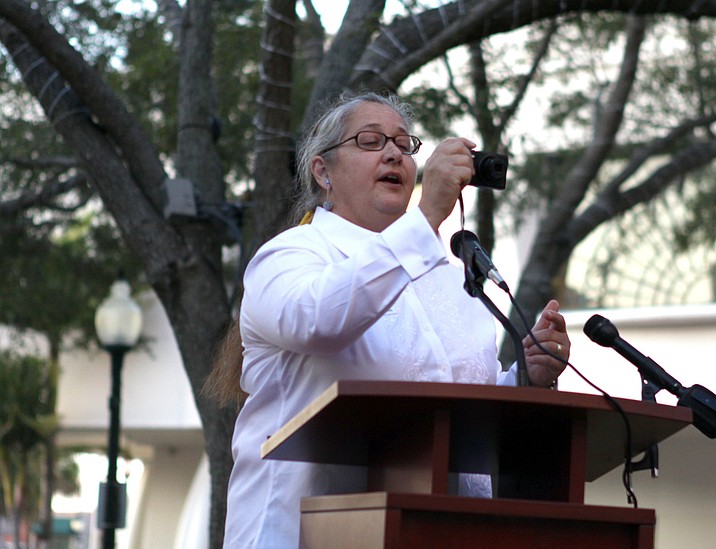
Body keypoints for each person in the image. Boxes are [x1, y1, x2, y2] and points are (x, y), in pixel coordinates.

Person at [219, 91, 570, 548]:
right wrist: (426, 217)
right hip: (299, 533)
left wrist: (527, 378)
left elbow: (461, 403)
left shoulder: (447, 276)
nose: (393, 153)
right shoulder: (289, 256)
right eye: (370, 141)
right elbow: (318, 323)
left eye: (404, 145)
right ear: (323, 171)